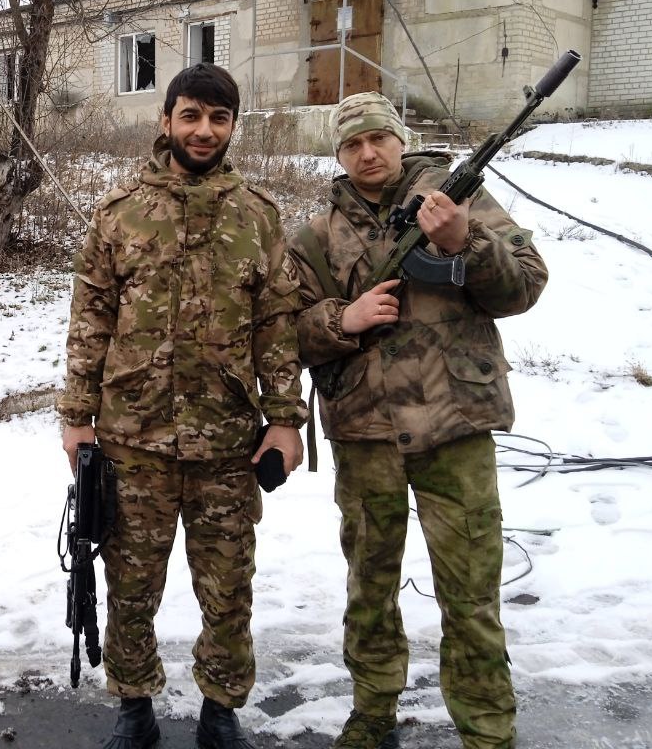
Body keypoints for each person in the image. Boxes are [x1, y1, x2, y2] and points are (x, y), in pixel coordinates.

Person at [58, 63, 307, 749]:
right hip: (133, 439)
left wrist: (286, 420)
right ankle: (134, 707)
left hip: (227, 444)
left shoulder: (258, 216)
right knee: (130, 586)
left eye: (218, 118)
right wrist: (77, 417)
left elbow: (276, 327)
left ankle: (220, 711)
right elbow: (91, 320)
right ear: (165, 120)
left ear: (232, 127)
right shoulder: (120, 212)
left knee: (228, 589)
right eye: (191, 115)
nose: (204, 130)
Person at [288, 92, 548, 749]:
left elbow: (525, 285)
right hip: (364, 432)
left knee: (471, 590)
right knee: (369, 585)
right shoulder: (315, 237)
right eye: (352, 144)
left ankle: (487, 730)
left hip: (453, 423)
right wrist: (340, 320)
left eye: (378, 138)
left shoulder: (461, 201)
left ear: (400, 140)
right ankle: (372, 710)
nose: (368, 153)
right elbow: (281, 331)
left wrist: (465, 242)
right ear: (339, 155)